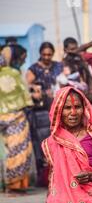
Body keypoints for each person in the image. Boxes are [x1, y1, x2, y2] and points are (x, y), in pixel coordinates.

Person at [26, 42, 64, 187]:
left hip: (58, 109)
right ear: (40, 54)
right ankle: (44, 177)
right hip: (41, 112)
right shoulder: (33, 69)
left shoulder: (58, 66)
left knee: (59, 141)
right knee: (43, 142)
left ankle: (60, 175)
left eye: (49, 54)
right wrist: (35, 89)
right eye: (44, 54)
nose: (47, 57)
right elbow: (26, 85)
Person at [0, 45, 33, 193]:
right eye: (22, 58)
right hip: (17, 117)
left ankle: (5, 184)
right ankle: (16, 186)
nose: (23, 62)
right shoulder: (15, 73)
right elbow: (27, 98)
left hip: (1, 117)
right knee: (20, 150)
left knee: (5, 152)